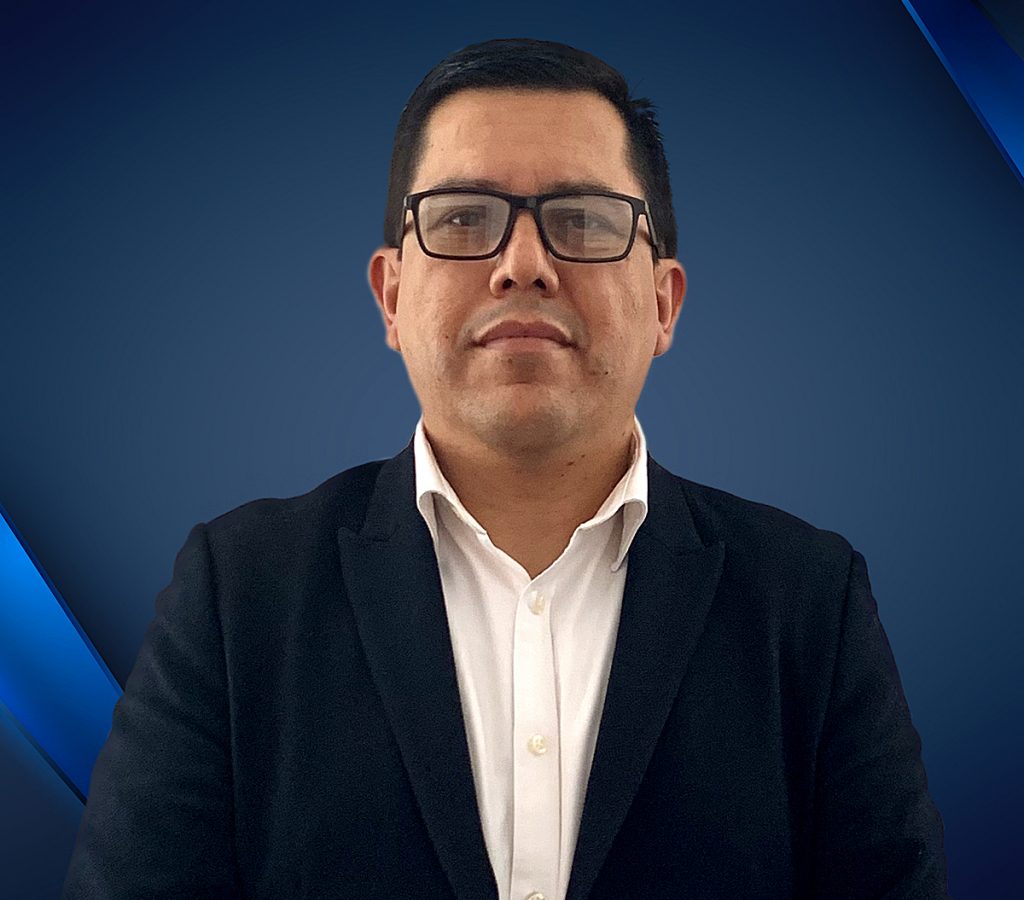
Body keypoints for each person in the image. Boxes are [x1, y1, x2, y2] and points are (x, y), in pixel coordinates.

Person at [63, 38, 949, 899]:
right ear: (392, 296)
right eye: (462, 218)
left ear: (664, 302)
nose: (523, 266)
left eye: (584, 220)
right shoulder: (239, 594)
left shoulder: (809, 604)